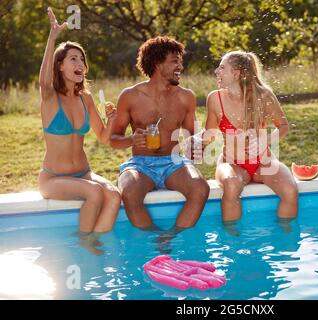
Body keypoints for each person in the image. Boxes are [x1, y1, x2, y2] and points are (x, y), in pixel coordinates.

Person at [38, 8, 121, 252]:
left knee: (114, 196)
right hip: (54, 178)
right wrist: (53, 37)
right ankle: (86, 245)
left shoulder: (85, 98)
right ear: (60, 66)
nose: (80, 64)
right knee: (95, 193)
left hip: (83, 173)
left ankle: (93, 241)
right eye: (73, 59)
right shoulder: (51, 98)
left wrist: (112, 119)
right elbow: (43, 81)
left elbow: (104, 138)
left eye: (82, 59)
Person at [110, 36, 210, 234]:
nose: (180, 66)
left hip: (173, 162)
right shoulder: (130, 96)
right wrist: (131, 140)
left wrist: (198, 144)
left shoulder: (186, 97)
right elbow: (113, 139)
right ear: (157, 64)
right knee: (129, 193)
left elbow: (193, 135)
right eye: (174, 61)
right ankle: (155, 238)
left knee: (201, 189)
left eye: (180, 61)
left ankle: (170, 237)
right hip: (140, 164)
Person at [205, 51, 298, 223]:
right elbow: (209, 133)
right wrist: (197, 142)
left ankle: (285, 239)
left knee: (290, 191)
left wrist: (266, 140)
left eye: (222, 67)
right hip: (231, 162)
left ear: (236, 73)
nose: (217, 71)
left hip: (263, 162)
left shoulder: (263, 96)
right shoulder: (215, 99)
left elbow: (283, 126)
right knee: (232, 185)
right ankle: (233, 242)